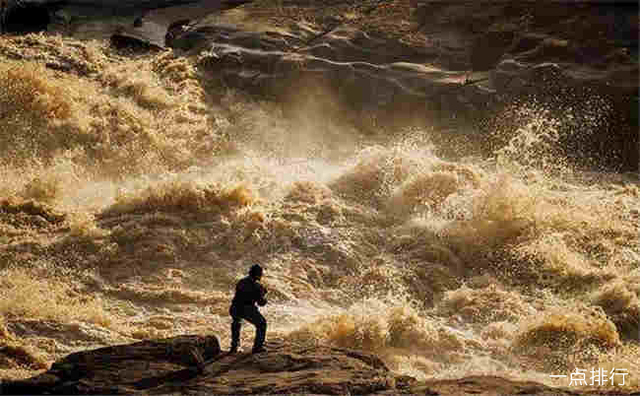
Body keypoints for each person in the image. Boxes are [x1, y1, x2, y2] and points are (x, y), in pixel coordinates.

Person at [229, 264, 268, 354]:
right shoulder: (257, 286)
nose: (261, 275)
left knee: (236, 322)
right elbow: (261, 303)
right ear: (258, 274)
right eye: (261, 274)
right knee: (262, 323)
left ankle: (234, 346)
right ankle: (257, 347)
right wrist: (263, 294)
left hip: (234, 307)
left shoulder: (241, 281)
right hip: (246, 309)